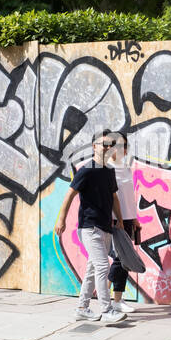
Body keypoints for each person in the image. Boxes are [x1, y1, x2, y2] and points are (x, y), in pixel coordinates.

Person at [55, 132, 126, 323]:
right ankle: (107, 309)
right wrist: (61, 220)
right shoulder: (86, 170)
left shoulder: (109, 170)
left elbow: (114, 197)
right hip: (90, 227)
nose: (107, 148)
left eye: (110, 145)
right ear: (94, 146)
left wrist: (119, 219)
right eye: (103, 145)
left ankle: (82, 308)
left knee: (92, 269)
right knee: (103, 266)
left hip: (106, 227)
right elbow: (69, 195)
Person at [104, 132, 141, 313]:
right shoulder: (106, 169)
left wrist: (134, 218)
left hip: (126, 219)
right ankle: (109, 295)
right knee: (120, 258)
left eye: (125, 146)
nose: (124, 150)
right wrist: (116, 218)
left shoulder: (125, 167)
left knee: (122, 259)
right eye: (120, 146)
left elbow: (128, 196)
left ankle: (113, 296)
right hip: (112, 219)